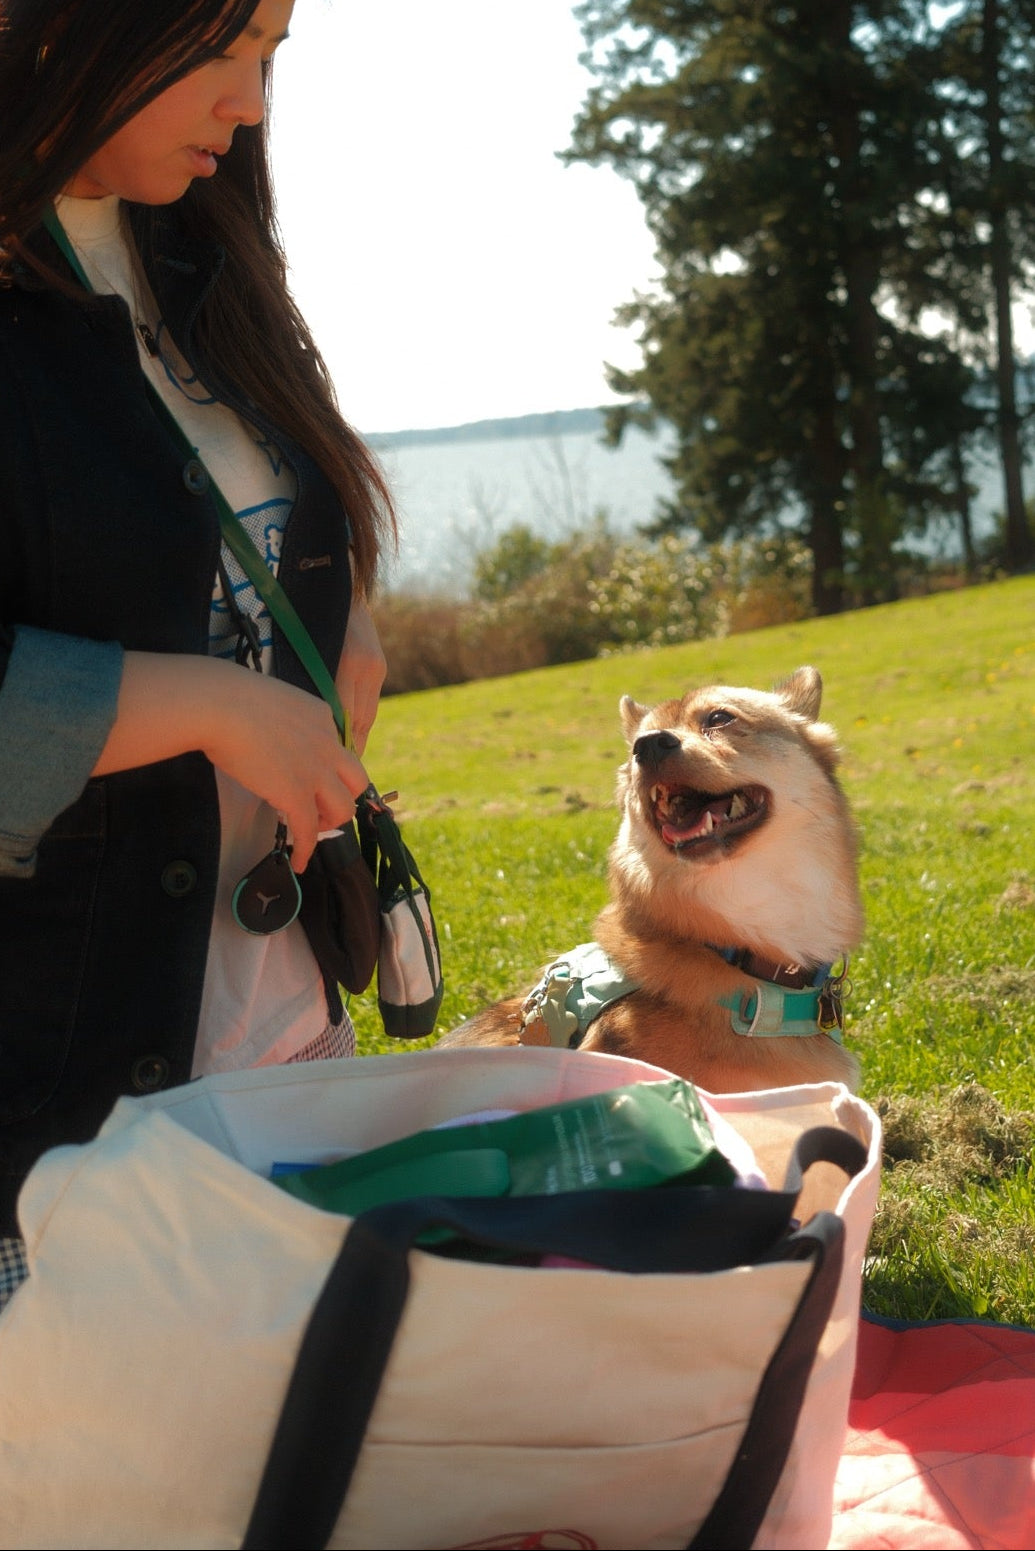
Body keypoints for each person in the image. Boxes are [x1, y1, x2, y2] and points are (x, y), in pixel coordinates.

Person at [0, 0, 397, 1290]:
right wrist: (210, 707)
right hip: (56, 1119)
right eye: (220, 47)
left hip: (279, 1032)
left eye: (271, 54)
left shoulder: (198, 249)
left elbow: (275, 491)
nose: (251, 103)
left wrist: (346, 613)